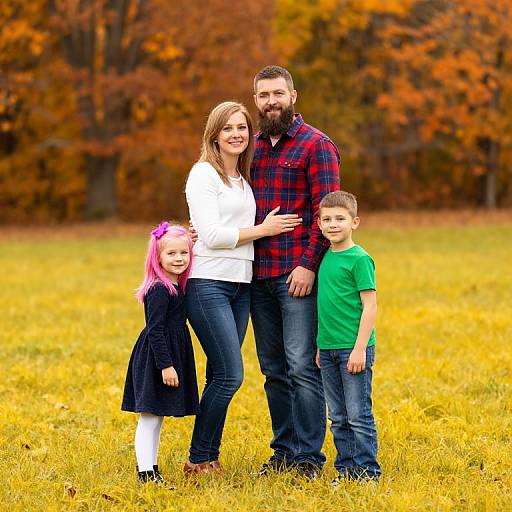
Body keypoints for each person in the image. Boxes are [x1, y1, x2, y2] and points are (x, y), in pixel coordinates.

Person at [184, 101, 302, 474]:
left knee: (219, 375)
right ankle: (198, 458)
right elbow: (214, 236)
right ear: (214, 135)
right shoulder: (203, 175)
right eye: (227, 128)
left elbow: (216, 228)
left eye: (242, 128)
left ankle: (207, 457)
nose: (236, 134)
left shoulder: (242, 177)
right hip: (209, 285)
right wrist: (264, 230)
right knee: (231, 375)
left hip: (241, 285)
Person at [250, 65, 340, 479]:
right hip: (257, 276)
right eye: (264, 95)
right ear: (256, 101)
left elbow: (327, 212)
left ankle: (308, 457)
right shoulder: (250, 148)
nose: (271, 102)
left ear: (293, 96)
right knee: (273, 370)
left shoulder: (315, 145)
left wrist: (308, 265)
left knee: (302, 366)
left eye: (278, 94)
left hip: (296, 275)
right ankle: (283, 451)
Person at [121, 222, 199, 484]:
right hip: (157, 358)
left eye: (184, 253)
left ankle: (152, 469)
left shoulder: (176, 285)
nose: (179, 259)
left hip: (169, 355)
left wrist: (195, 239)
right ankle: (145, 472)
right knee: (150, 417)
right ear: (157, 257)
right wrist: (165, 365)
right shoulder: (159, 289)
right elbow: (155, 331)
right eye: (171, 254)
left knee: (158, 416)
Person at [315, 191, 381, 485]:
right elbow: (325, 306)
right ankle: (346, 470)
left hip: (353, 349)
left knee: (358, 415)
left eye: (340, 219)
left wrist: (358, 350)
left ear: (354, 222)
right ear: (318, 223)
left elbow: (370, 305)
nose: (333, 224)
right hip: (328, 349)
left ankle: (367, 472)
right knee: (338, 416)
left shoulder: (360, 259)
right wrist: (319, 346)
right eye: (326, 219)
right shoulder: (326, 257)